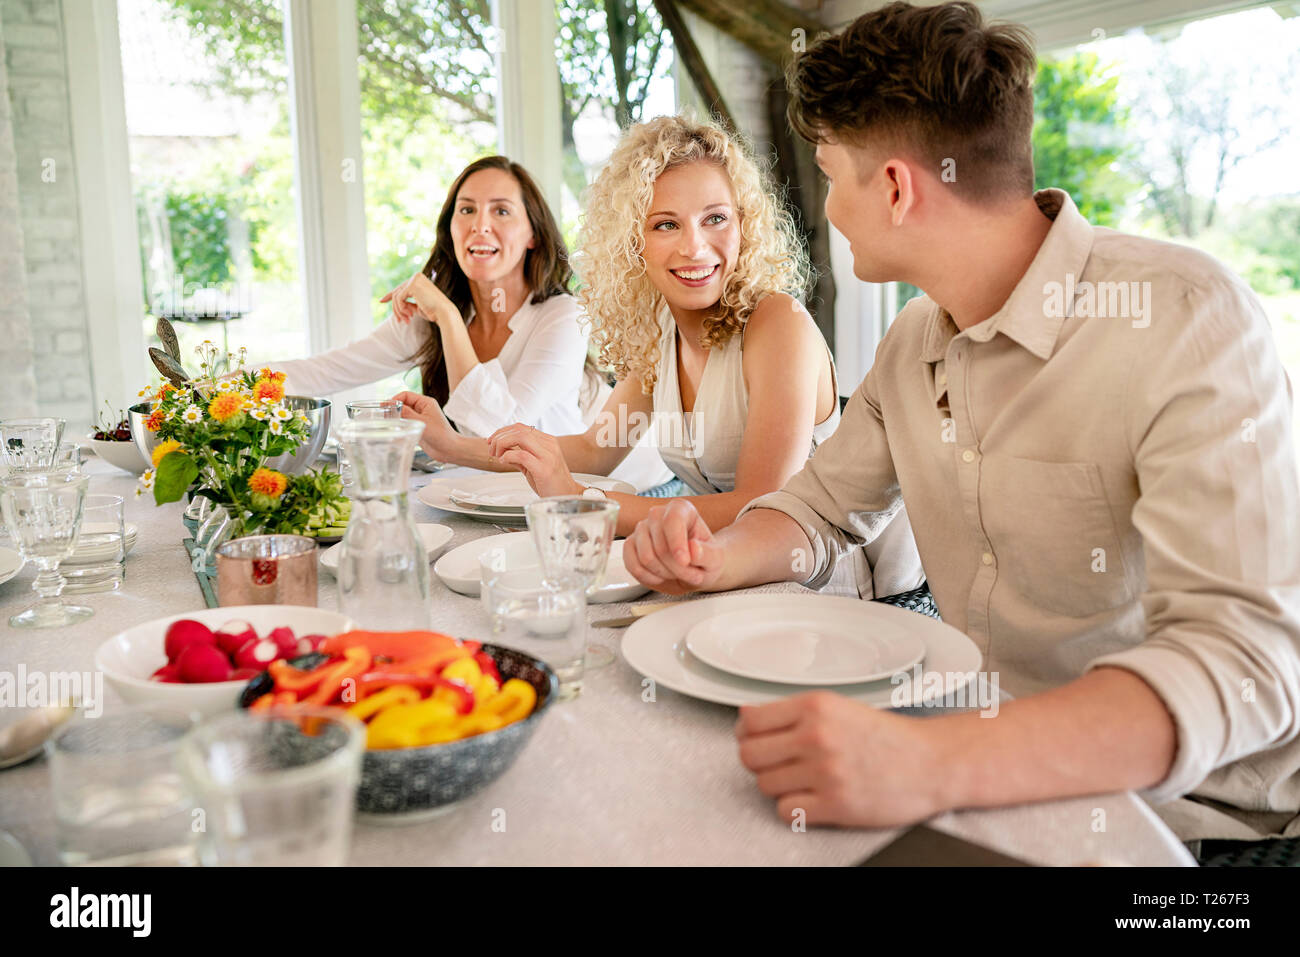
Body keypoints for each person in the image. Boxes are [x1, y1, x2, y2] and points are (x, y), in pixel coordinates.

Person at [622, 1, 1300, 845]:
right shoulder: (914, 340)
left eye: (831, 174)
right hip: (993, 777)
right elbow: (821, 510)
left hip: (1209, 827)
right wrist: (716, 556)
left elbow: (1247, 668)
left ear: (898, 188)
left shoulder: (1188, 320)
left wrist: (928, 762)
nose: (827, 206)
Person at [401, 116, 923, 598]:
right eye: (666, 225)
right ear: (634, 243)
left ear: (744, 226)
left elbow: (762, 502)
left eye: (716, 218)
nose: (695, 248)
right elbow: (590, 450)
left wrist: (585, 501)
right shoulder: (660, 336)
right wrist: (452, 446)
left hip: (809, 591)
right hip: (709, 577)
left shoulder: (777, 322)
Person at [263, 155, 669, 491]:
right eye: (467, 210)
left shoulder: (562, 315)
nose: (480, 224)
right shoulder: (430, 316)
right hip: (504, 494)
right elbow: (323, 372)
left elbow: (506, 432)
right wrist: (221, 388)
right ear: (451, 228)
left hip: (629, 487)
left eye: (502, 211)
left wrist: (449, 320)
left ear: (532, 234)